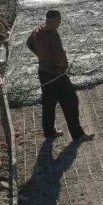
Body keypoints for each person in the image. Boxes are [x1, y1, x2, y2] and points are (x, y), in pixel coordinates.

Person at [26, 10, 89, 140]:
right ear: (54, 20)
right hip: (57, 75)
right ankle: (78, 135)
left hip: (43, 72)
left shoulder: (37, 31)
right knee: (71, 102)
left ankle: (49, 133)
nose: (60, 23)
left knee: (48, 103)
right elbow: (60, 55)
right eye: (59, 20)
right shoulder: (53, 35)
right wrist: (64, 68)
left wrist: (41, 56)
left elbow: (29, 44)